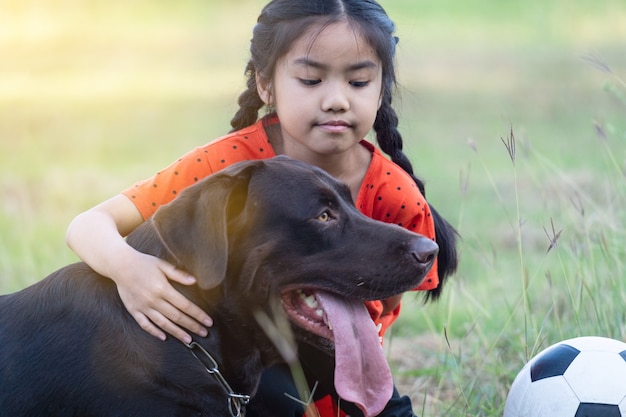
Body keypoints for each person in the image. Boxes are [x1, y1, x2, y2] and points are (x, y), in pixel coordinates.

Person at [66, 0, 458, 415]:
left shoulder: (393, 190)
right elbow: (87, 224)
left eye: (359, 82)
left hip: (337, 347)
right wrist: (131, 270)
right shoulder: (227, 168)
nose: (337, 100)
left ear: (382, 88)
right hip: (235, 341)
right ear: (265, 85)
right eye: (310, 79)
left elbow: (389, 294)